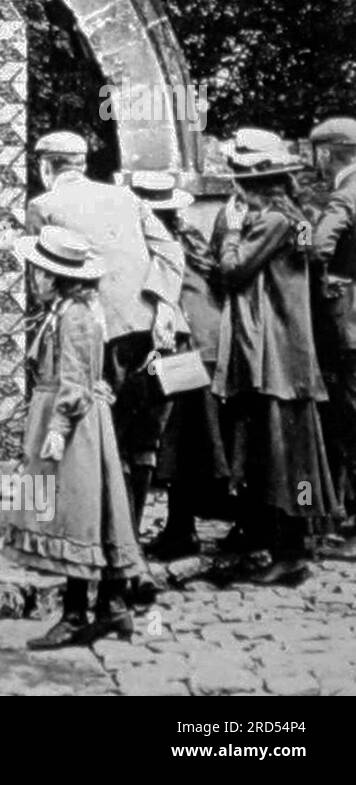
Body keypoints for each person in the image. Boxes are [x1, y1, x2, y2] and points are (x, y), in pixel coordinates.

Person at [26, 131, 185, 603]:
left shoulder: (44, 206)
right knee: (141, 452)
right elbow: (171, 252)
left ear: (46, 166)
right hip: (150, 337)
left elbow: (45, 281)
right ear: (82, 162)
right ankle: (129, 566)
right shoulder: (125, 196)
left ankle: (99, 580)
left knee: (92, 455)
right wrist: (160, 306)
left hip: (97, 343)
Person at [3, 225, 143, 649]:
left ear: (56, 277)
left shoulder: (76, 316)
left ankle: (78, 614)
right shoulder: (65, 311)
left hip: (75, 426)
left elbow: (75, 384)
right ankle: (112, 606)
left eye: (39, 273)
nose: (34, 280)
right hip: (71, 418)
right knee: (89, 514)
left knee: (75, 516)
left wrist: (58, 430)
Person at [213, 129, 342, 585]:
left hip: (276, 355)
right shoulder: (298, 216)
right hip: (291, 351)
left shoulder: (272, 222)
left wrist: (230, 231)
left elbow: (233, 270)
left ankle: (293, 549)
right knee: (294, 452)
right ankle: (291, 540)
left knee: (285, 454)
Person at [132, 171, 232, 559]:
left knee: (171, 440)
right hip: (207, 344)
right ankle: (180, 527)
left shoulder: (151, 243)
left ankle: (179, 531)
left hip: (182, 347)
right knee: (190, 442)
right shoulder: (189, 236)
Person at [305, 116, 356, 529]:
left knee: (346, 415)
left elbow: (318, 246)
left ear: (328, 153)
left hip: (346, 323)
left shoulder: (344, 196)